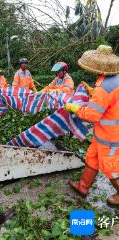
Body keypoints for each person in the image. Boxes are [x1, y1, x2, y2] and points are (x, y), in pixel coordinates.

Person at [65, 45, 119, 207]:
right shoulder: (113, 80)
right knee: (92, 158)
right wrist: (92, 92)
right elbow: (109, 102)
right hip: (103, 134)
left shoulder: (104, 88)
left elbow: (91, 115)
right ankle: (83, 186)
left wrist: (75, 108)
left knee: (111, 168)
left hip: (110, 137)